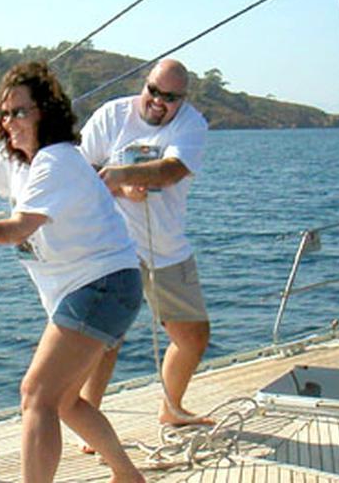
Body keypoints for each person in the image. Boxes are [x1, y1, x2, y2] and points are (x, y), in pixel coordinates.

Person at [0, 61, 145, 483]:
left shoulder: (56, 161)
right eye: (5, 113)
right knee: (66, 400)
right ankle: (129, 477)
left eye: (21, 111)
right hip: (100, 286)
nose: (10, 121)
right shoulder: (16, 160)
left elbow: (19, 228)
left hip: (101, 285)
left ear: (45, 112)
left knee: (36, 394)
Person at [78, 58, 211, 428]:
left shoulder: (192, 124)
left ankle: (171, 408)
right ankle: (88, 422)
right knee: (106, 339)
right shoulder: (111, 116)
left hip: (166, 245)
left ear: (182, 99)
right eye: (153, 90)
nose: (158, 100)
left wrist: (123, 172)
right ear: (145, 83)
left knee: (194, 336)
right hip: (113, 246)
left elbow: (172, 170)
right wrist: (120, 185)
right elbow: (78, 170)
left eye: (170, 97)